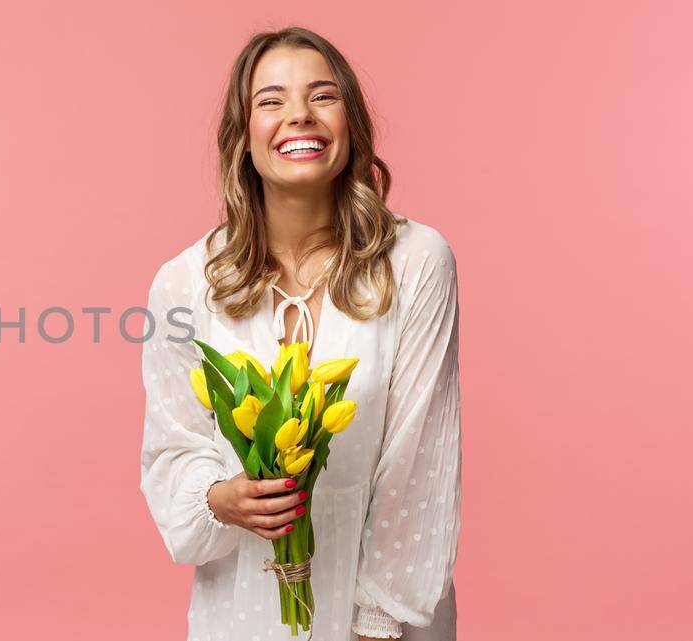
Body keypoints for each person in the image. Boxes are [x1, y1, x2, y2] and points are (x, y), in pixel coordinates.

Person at [138, 27, 461, 641]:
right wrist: (219, 495)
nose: (298, 116)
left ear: (352, 124)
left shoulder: (416, 261)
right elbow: (171, 451)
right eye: (270, 101)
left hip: (385, 621)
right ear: (243, 136)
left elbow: (420, 464)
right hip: (240, 611)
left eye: (323, 96)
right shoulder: (185, 283)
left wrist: (378, 625)